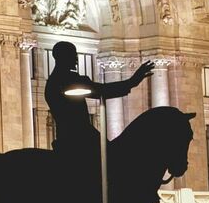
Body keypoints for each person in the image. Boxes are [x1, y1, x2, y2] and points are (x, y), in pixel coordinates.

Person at [43, 41, 153, 174]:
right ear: (64, 57)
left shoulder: (54, 80)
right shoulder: (67, 80)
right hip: (79, 136)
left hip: (68, 135)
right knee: (114, 160)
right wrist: (132, 81)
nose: (76, 59)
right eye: (73, 55)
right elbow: (102, 90)